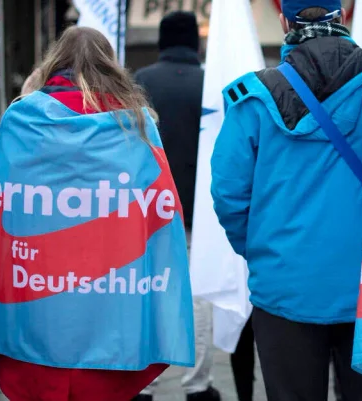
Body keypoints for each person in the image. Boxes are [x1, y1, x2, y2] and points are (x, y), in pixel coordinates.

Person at [210, 1, 362, 400]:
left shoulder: (254, 98)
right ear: (343, 16)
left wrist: (263, 251)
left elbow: (228, 193)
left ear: (283, 20)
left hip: (284, 287)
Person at [0, 27, 182, 401]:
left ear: (54, 62)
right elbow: (160, 208)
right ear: (111, 66)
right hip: (110, 284)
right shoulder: (136, 123)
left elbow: (2, 201)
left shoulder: (21, 119)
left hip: (41, 285)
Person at [133, 11, 222, 401]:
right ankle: (198, 385)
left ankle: (143, 385)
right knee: (199, 298)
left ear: (162, 41)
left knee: (148, 295)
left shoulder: (141, 83)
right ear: (196, 42)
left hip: (149, 212)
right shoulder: (211, 83)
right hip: (200, 212)